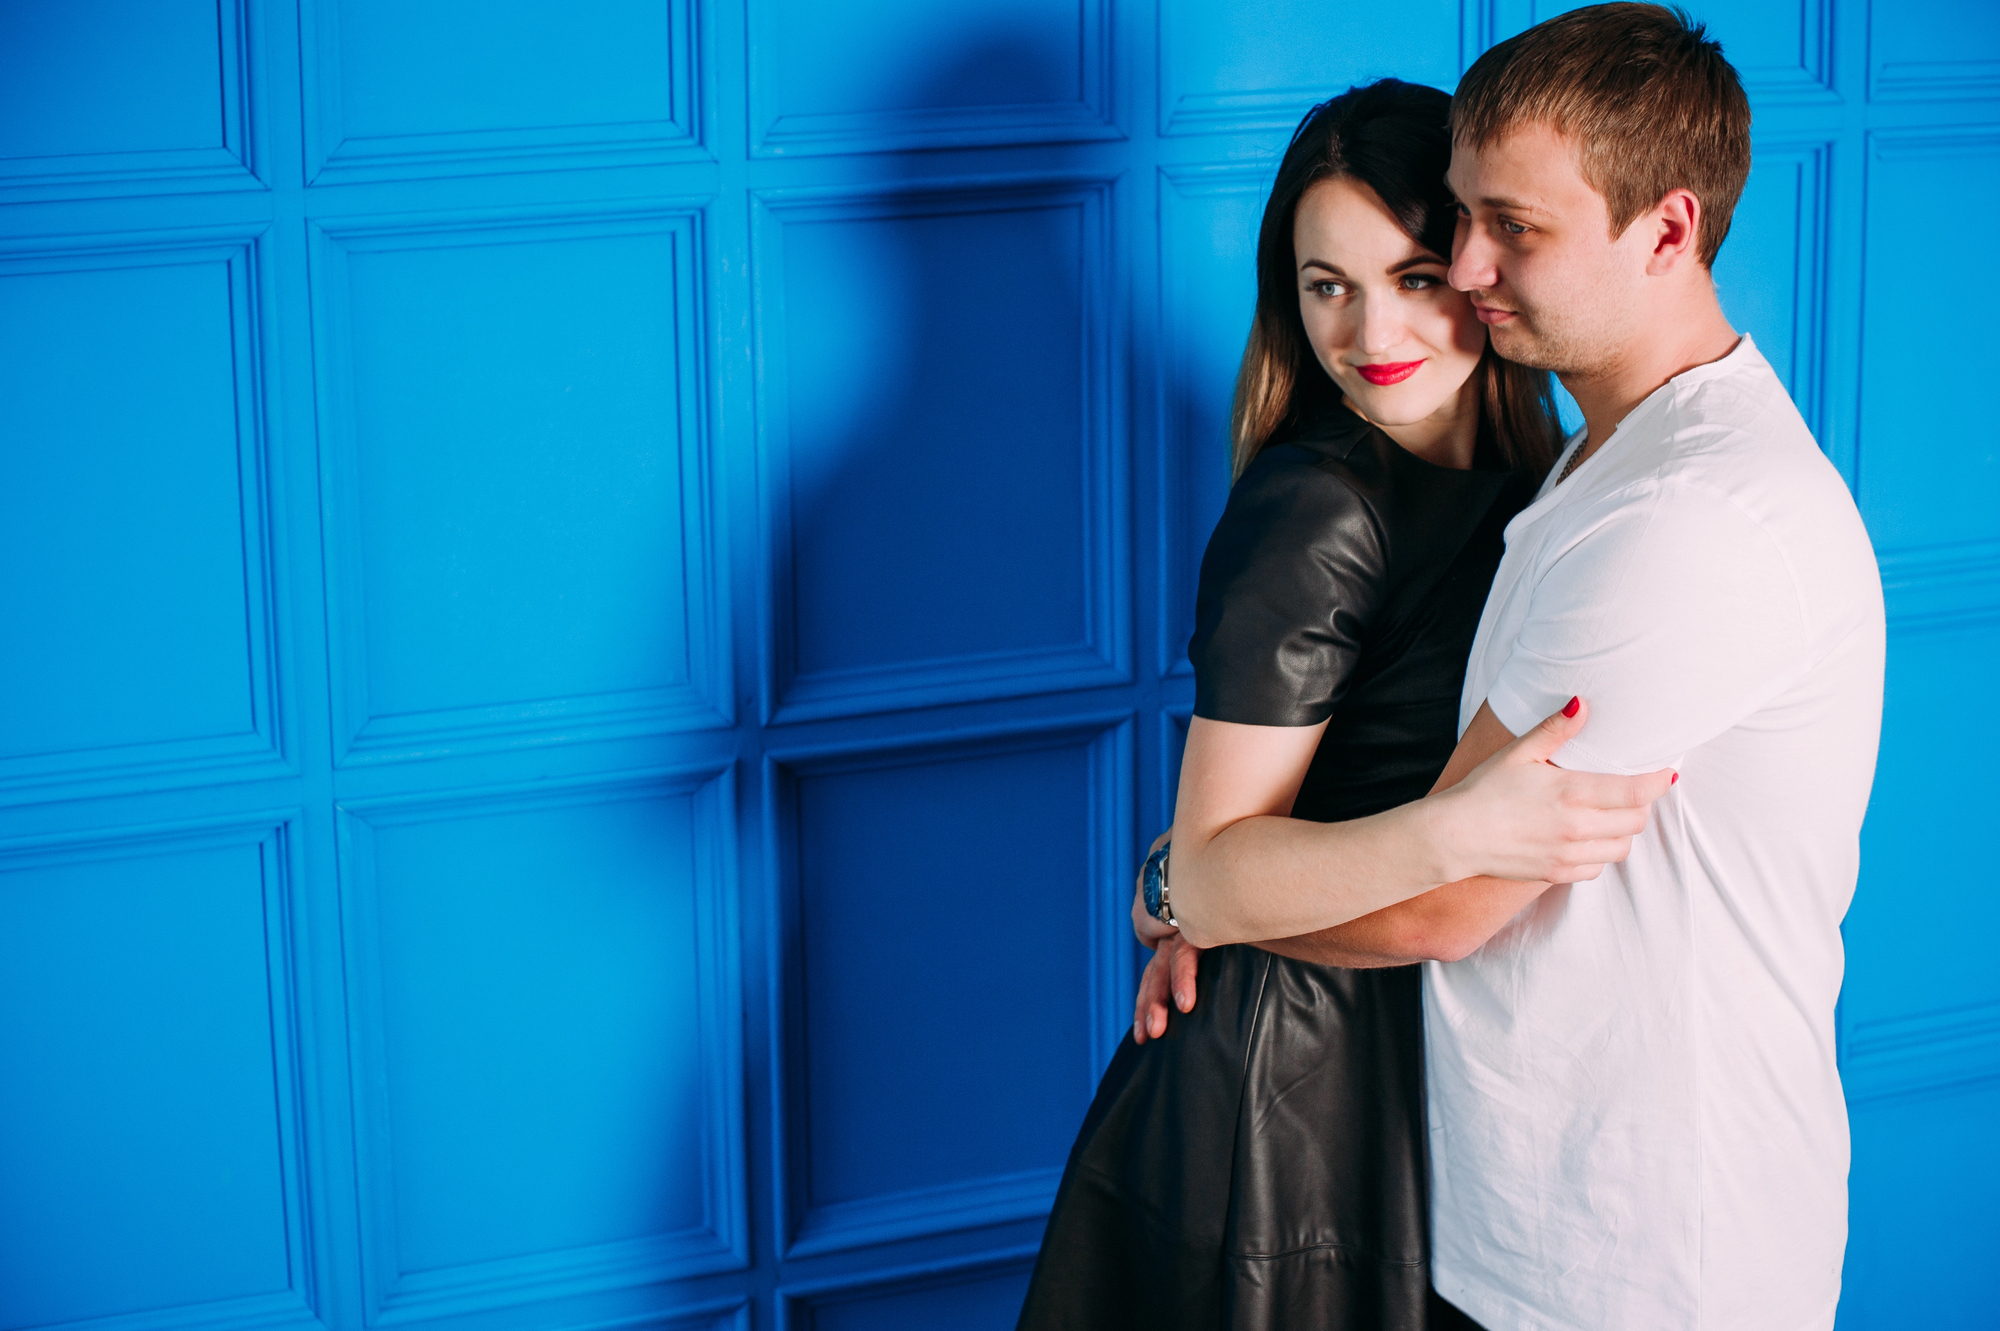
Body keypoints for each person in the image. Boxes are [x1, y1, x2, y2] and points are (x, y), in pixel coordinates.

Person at [1128, 8, 1888, 1329]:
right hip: (1512, 1205)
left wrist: (1199, 886)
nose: (1471, 268)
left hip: (1646, 1251)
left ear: (1669, 229)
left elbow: (1445, 902)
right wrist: (1205, 878)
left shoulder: (1683, 517)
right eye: (1458, 224)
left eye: (1508, 231)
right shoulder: (1593, 467)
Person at [1016, 79, 1673, 1331]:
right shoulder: (1315, 506)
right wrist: (1447, 837)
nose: (1369, 328)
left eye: (1415, 274)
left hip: (1434, 1054)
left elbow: (1185, 878)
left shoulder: (1553, 479)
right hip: (1292, 1087)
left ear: (1483, 263)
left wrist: (1177, 888)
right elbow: (1208, 866)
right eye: (1327, 284)